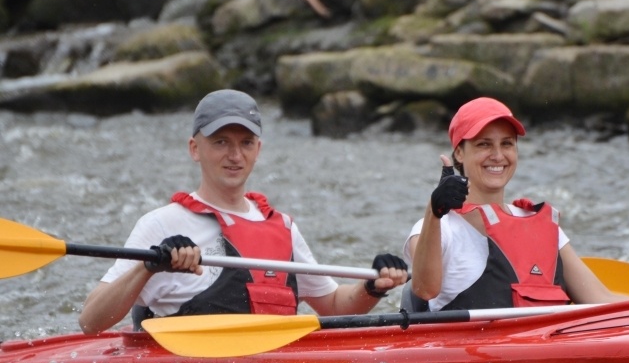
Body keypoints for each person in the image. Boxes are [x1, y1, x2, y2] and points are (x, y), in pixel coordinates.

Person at [79, 89, 407, 335]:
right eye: (221, 142)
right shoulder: (161, 224)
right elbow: (91, 321)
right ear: (195, 149)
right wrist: (147, 268)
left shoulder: (283, 227)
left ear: (258, 150)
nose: (235, 155)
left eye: (246, 143)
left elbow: (335, 306)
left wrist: (373, 286)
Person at [403, 97, 629, 312]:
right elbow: (424, 289)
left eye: (507, 144)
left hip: (545, 339)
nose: (498, 155)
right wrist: (434, 210)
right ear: (459, 153)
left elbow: (600, 299)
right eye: (484, 144)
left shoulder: (541, 225)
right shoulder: (436, 226)